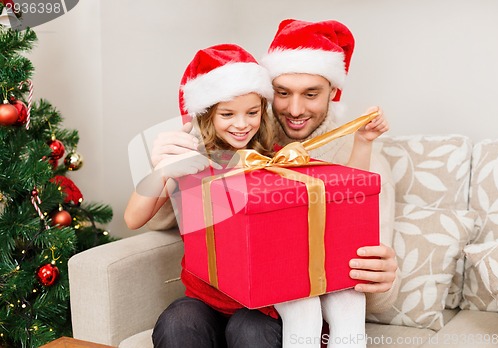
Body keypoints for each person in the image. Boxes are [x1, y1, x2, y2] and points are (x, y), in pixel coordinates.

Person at [144, 19, 400, 348]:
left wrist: (383, 276)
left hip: (278, 307)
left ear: (333, 93)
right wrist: (166, 165)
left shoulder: (365, 162)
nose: (295, 109)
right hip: (216, 296)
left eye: (311, 93)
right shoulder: (245, 142)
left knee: (254, 329)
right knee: (179, 322)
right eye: (283, 93)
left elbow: (370, 281)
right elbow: (157, 220)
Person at [124, 43, 281, 347]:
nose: (241, 123)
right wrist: (162, 171)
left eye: (252, 112)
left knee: (251, 331)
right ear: (207, 114)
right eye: (227, 114)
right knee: (177, 322)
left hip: (261, 304)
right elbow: (133, 218)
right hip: (204, 298)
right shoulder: (189, 162)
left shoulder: (274, 160)